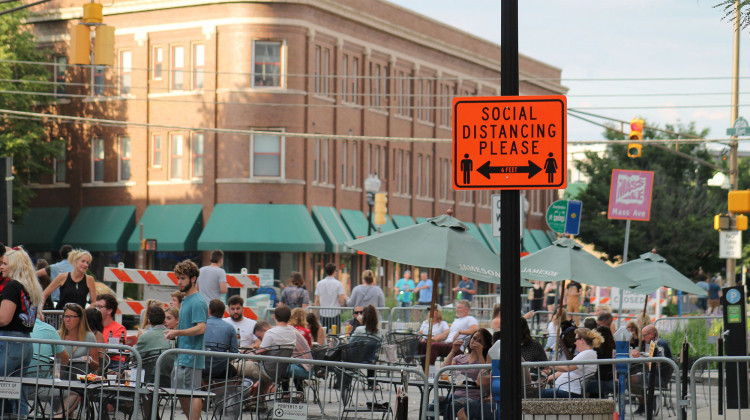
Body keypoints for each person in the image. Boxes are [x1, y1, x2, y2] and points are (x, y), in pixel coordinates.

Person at [0, 247, 44, 416]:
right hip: (25, 343)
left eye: (5, 263)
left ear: (16, 266)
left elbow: (4, 318)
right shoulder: (31, 287)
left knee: (3, 391)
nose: (2, 267)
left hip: (8, 342)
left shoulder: (12, 286)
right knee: (19, 393)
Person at [164, 260, 208, 420]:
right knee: (183, 394)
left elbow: (201, 327)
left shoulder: (198, 301)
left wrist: (177, 332)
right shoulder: (188, 299)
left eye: (183, 278)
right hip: (183, 355)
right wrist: (176, 333)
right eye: (178, 278)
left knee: (192, 393)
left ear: (193, 278)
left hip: (190, 356)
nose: (179, 282)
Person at [437, 329, 492, 419]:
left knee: (451, 407)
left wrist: (480, 353)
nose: (475, 342)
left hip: (473, 397)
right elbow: (443, 371)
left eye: (479, 341)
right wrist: (453, 351)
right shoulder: (459, 358)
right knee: (433, 405)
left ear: (484, 345)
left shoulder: (485, 360)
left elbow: (484, 376)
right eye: (474, 338)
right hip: (455, 394)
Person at [542, 328, 603, 398]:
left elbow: (567, 368)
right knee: (537, 393)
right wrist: (550, 377)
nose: (574, 342)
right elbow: (568, 370)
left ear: (582, 340)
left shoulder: (587, 354)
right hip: (566, 389)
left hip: (569, 391)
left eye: (576, 340)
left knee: (536, 394)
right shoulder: (587, 353)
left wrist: (549, 365)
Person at [629, 324, 673, 415]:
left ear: (652, 334)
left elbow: (657, 363)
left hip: (659, 377)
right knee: (631, 380)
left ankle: (648, 403)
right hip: (654, 375)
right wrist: (641, 355)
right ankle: (645, 404)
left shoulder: (660, 344)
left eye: (644, 336)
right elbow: (652, 358)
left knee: (631, 380)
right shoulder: (656, 343)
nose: (643, 339)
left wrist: (640, 357)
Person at [425, 299, 479, 365]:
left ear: (466, 309)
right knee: (424, 345)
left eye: (459, 308)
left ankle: (430, 370)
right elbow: (447, 334)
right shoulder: (456, 320)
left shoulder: (470, 319)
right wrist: (436, 338)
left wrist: (460, 332)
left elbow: (475, 330)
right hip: (448, 344)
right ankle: (426, 370)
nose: (456, 309)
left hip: (456, 346)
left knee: (433, 346)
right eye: (457, 307)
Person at [59, 303, 100, 372]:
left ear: (80, 319)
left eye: (72, 316)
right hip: (61, 376)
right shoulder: (57, 335)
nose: (68, 320)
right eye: (66, 316)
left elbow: (96, 366)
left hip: (82, 378)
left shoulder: (89, 336)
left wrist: (90, 360)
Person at [203, 299, 239, 378]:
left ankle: (204, 387)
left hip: (201, 367)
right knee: (233, 372)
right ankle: (219, 389)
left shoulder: (201, 326)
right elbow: (234, 352)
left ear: (209, 311)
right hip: (220, 369)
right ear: (223, 312)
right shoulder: (230, 328)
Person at [96, 293, 128, 370]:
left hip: (113, 363)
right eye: (95, 307)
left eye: (99, 307)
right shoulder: (93, 326)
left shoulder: (119, 329)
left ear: (109, 310)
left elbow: (112, 350)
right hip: (97, 361)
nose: (96, 310)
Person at [314, 262, 347, 330]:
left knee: (324, 334)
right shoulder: (339, 284)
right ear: (334, 271)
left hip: (323, 313)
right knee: (335, 334)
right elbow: (341, 300)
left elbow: (317, 301)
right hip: (335, 313)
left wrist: (315, 313)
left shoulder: (319, 283)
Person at [587, 325, 616, 398]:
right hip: (611, 379)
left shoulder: (595, 350)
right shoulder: (614, 349)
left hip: (598, 380)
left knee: (584, 385)